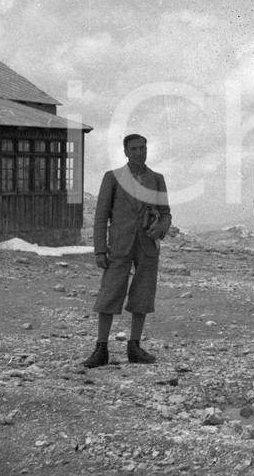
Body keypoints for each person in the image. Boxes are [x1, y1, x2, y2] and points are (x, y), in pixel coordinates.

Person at [83, 134, 172, 368]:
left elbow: (166, 214)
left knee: (142, 296)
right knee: (109, 294)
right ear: (125, 152)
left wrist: (160, 228)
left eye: (143, 148)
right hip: (119, 246)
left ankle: (135, 346)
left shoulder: (157, 179)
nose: (139, 153)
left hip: (147, 247)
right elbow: (101, 216)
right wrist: (99, 250)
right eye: (133, 149)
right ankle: (101, 348)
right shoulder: (112, 178)